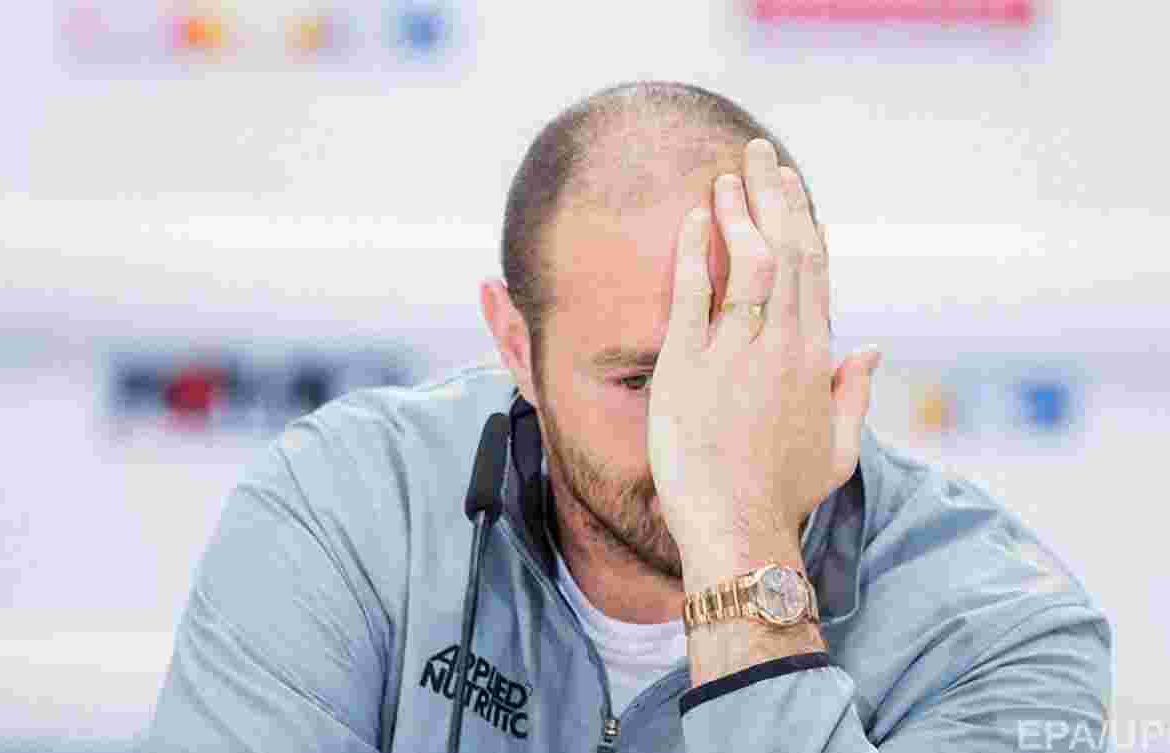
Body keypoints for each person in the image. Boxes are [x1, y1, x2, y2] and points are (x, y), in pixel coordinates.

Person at [145, 81, 1111, 753]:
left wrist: (744, 560)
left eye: (735, 355)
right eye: (643, 380)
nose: (697, 437)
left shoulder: (1002, 629)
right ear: (517, 347)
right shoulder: (346, 506)